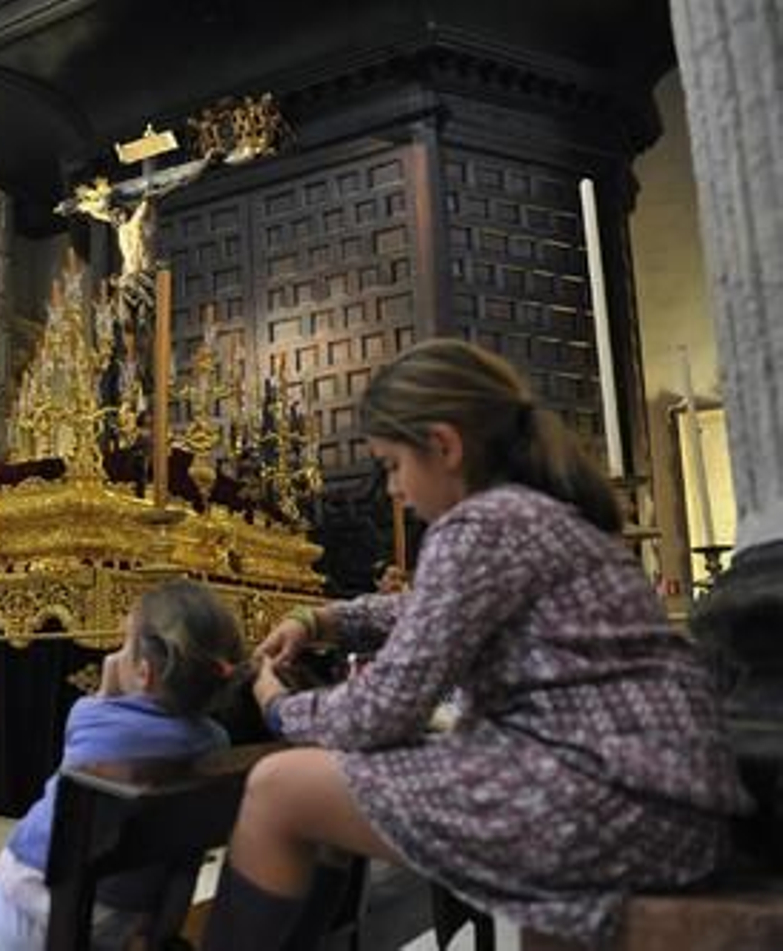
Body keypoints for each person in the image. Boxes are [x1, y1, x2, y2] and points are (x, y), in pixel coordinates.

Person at [205, 340, 752, 949]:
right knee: (325, 795)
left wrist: (276, 702)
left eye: (392, 465)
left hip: (610, 800)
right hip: (663, 798)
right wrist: (319, 620)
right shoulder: (536, 514)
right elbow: (423, 609)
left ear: (443, 446)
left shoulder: (480, 524)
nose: (393, 489)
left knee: (277, 789)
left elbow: (380, 711)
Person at [0, 581, 245, 949]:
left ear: (144, 673)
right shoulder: (215, 741)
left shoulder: (95, 718)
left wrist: (106, 687)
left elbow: (90, 713)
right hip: (123, 914)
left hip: (33, 898)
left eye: (123, 645)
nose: (115, 656)